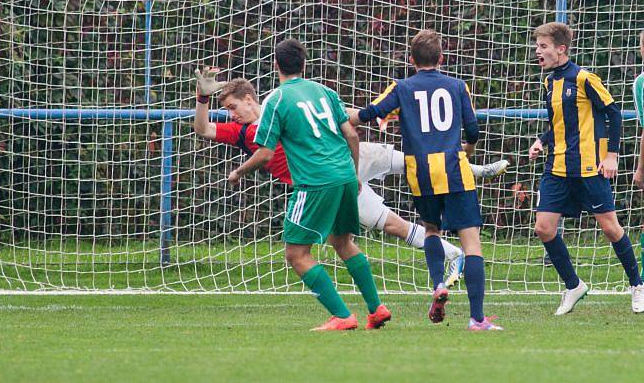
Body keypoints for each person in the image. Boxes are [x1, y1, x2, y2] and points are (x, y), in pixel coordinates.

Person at [194, 73, 509, 288]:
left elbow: (338, 114)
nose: (231, 114)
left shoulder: (285, 105)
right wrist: (202, 98)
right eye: (227, 109)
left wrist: (377, 114)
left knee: (414, 161)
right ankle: (452, 253)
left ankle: (477, 169)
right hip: (334, 183)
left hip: (343, 164)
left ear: (250, 98)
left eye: (233, 107)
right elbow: (203, 130)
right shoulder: (244, 132)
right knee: (391, 225)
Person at [226, 38, 389, 331]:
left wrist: (239, 172)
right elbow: (352, 135)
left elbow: (264, 154)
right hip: (344, 176)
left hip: (315, 182)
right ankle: (376, 308)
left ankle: (342, 316)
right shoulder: (324, 91)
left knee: (296, 253)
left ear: (276, 66)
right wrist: (352, 173)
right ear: (304, 63)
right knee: (342, 242)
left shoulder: (275, 100)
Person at [352, 29, 502, 331]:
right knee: (471, 241)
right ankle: (477, 319)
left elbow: (369, 113)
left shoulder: (402, 87)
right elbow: (472, 130)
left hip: (419, 171)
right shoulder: (458, 86)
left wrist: (337, 118)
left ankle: (436, 284)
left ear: (411, 60)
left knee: (431, 229)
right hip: (453, 167)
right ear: (441, 59)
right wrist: (468, 150)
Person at [529, 22, 643, 314]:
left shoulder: (584, 78)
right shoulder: (548, 82)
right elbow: (558, 124)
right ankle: (573, 285)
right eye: (537, 46)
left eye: (543, 46)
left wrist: (612, 156)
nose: (537, 51)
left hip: (590, 169)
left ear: (561, 49)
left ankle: (637, 285)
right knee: (544, 228)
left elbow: (613, 114)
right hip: (556, 169)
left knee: (610, 228)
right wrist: (541, 141)